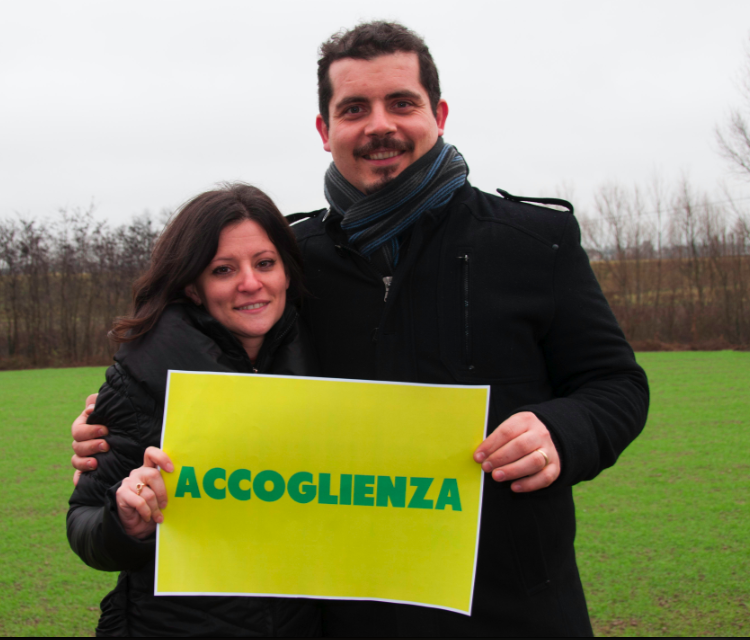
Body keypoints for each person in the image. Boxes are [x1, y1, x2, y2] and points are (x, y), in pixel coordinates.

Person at [72, 22, 649, 636]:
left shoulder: (534, 242)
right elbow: (201, 360)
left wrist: (562, 430)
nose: (380, 125)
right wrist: (114, 425)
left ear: (439, 114)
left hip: (511, 604)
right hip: (343, 613)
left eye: (402, 102)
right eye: (354, 109)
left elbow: (616, 385)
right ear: (325, 131)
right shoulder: (292, 259)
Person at [67, 183, 321, 636]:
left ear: (286, 271)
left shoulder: (323, 359)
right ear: (194, 287)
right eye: (223, 269)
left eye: (265, 263)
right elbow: (83, 525)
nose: (250, 283)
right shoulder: (143, 374)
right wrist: (126, 520)